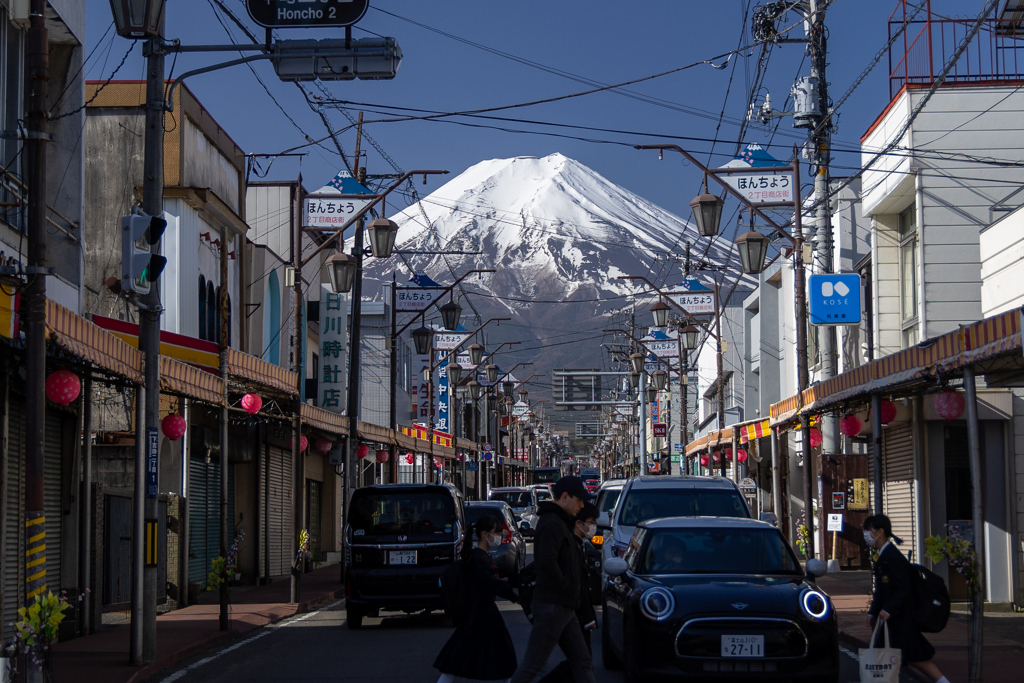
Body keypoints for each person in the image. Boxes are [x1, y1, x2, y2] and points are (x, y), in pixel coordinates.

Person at [510, 476, 596, 683]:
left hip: (563, 606)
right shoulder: (551, 523)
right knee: (533, 665)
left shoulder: (559, 522)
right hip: (552, 605)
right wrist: (566, 588)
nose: (582, 506)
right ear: (565, 497)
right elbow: (547, 564)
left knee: (582, 662)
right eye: (579, 501)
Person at [863, 514, 951, 683]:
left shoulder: (892, 557)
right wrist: (873, 612)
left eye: (868, 530)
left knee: (913, 656)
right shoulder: (884, 555)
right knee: (899, 657)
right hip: (894, 619)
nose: (866, 534)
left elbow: (904, 588)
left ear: (879, 532)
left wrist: (888, 609)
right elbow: (881, 590)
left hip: (900, 618)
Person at [434, 515, 518, 683]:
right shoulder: (477, 558)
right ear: (485, 534)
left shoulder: (481, 556)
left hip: (482, 613)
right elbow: (489, 582)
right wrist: (514, 595)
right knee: (461, 657)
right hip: (480, 614)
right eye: (497, 533)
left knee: (461, 656)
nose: (499, 537)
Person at [536, 503, 600, 683]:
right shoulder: (572, 545)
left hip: (573, 611)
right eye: (591, 522)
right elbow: (578, 584)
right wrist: (587, 616)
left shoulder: (580, 545)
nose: (593, 527)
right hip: (571, 611)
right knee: (578, 661)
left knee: (581, 661)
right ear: (579, 523)